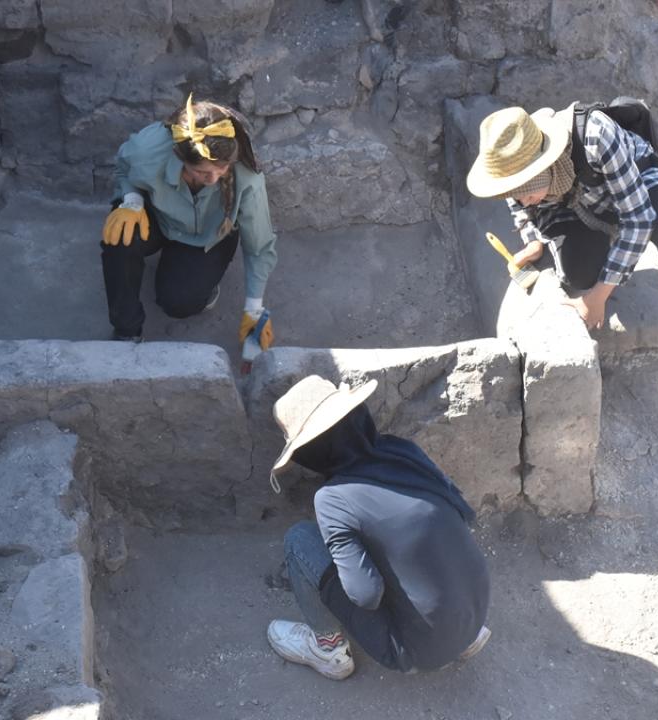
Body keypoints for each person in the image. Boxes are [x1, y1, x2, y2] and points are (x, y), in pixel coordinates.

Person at [466, 103, 658, 388]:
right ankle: (612, 241)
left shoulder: (596, 135)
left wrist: (597, 297)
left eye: (525, 191)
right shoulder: (512, 162)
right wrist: (533, 239)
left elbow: (638, 219)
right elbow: (519, 204)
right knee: (579, 273)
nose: (521, 201)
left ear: (544, 165)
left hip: (636, 178)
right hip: (579, 201)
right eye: (514, 193)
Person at [265, 375, 491, 680]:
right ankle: (459, 636)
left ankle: (327, 649)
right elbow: (458, 519)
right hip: (474, 614)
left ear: (312, 450)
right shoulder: (404, 453)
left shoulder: (332, 499)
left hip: (416, 651)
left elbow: (365, 595)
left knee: (300, 539)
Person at [101, 95, 277, 352]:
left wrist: (254, 309)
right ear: (180, 157)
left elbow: (259, 247)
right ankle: (126, 332)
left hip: (209, 234)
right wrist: (132, 200)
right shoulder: (148, 150)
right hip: (157, 217)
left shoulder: (246, 175)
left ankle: (202, 282)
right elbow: (124, 168)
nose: (213, 179)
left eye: (222, 169)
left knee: (179, 303)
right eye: (202, 172)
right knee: (118, 238)